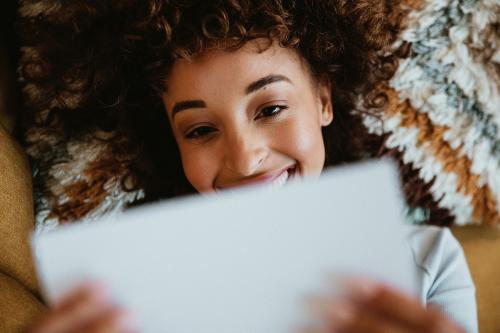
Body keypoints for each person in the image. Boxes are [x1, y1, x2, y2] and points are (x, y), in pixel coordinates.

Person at [21, 1, 476, 332]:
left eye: (271, 109)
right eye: (200, 130)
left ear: (322, 99)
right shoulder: (132, 298)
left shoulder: (430, 263)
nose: (244, 158)